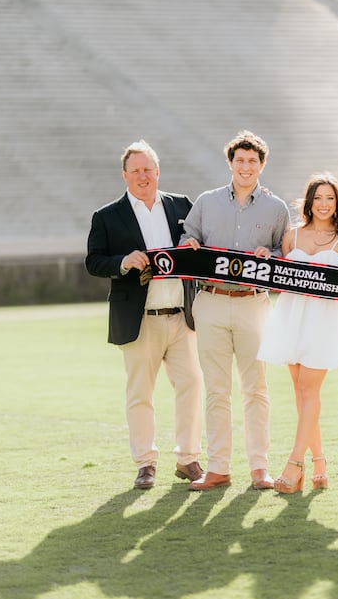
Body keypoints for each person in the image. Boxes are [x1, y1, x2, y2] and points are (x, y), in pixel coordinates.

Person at [85, 140, 204, 490]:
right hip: (139, 318)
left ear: (158, 171)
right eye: (135, 170)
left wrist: (193, 247)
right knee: (140, 393)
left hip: (182, 315)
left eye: (148, 169)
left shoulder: (181, 205)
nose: (143, 176)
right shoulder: (106, 216)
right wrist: (123, 262)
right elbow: (93, 262)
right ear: (125, 175)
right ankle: (146, 463)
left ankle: (188, 459)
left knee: (192, 385)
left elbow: (201, 245)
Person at [181, 130, 290, 491]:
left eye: (252, 161)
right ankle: (218, 468)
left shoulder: (276, 208)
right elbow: (186, 241)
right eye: (240, 160)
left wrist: (270, 257)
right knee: (216, 390)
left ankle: (259, 467)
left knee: (256, 389)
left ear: (261, 166)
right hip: (210, 300)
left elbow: (285, 256)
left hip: (252, 304)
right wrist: (191, 244)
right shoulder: (207, 201)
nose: (246, 167)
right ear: (230, 163)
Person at [257, 174, 338, 493]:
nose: (324, 204)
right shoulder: (292, 237)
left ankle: (294, 463)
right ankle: (320, 464)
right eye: (318, 198)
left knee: (309, 390)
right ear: (309, 202)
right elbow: (280, 272)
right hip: (292, 317)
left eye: (330, 198)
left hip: (325, 320)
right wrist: (267, 257)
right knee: (301, 394)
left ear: (337, 202)